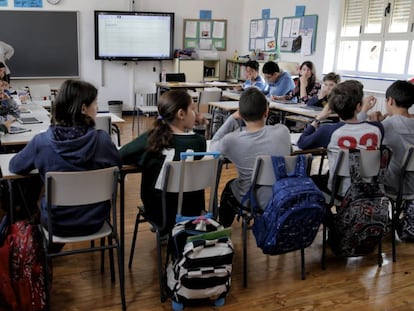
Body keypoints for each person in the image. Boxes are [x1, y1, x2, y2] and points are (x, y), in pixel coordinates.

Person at [9, 79, 122, 237]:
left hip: (56, 224)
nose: (97, 109)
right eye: (95, 104)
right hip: (95, 221)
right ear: (83, 108)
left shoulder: (41, 142)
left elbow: (15, 167)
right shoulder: (102, 140)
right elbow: (117, 166)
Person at [119, 90, 207, 235]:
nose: (196, 113)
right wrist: (201, 127)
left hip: (160, 214)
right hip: (192, 213)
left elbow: (121, 155)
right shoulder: (199, 142)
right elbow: (197, 141)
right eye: (193, 109)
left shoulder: (150, 139)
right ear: (181, 114)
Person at [210, 87, 291, 227]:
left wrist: (231, 119)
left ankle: (223, 231)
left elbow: (213, 146)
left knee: (230, 187)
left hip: (251, 199)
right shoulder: (283, 131)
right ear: (266, 111)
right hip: (282, 195)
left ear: (240, 114)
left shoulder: (232, 140)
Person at [297, 80, 384, 195]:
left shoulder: (328, 130)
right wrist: (363, 112)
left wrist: (317, 119)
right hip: (371, 190)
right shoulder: (378, 128)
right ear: (358, 106)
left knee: (312, 178)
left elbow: (302, 143)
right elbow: (359, 128)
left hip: (339, 191)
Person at [366, 80, 414, 195]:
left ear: (390, 101)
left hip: (390, 185)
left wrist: (375, 125)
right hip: (411, 187)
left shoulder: (385, 126)